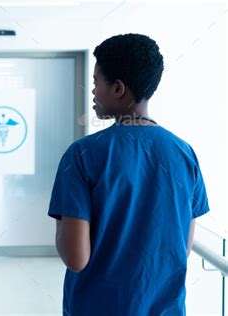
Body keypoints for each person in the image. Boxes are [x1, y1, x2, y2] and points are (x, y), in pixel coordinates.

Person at [48, 34, 209, 315]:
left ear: (119, 88)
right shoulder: (185, 154)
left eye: (96, 82)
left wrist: (62, 225)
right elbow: (181, 250)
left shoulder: (83, 155)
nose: (93, 91)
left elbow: (76, 258)